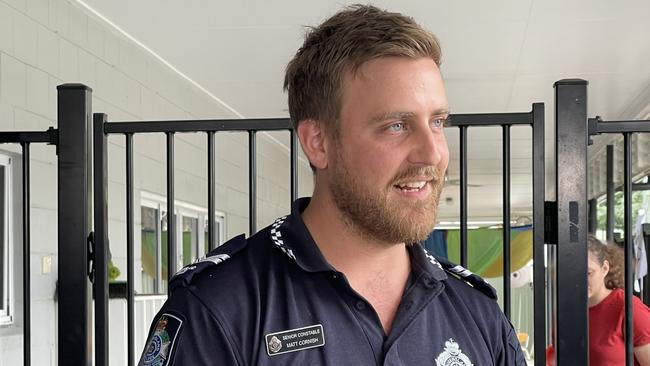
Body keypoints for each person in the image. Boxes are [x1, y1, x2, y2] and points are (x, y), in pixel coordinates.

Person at [138, 5, 525, 365]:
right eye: (396, 125)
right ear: (318, 143)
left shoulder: (477, 313)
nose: (432, 154)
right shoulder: (219, 311)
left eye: (437, 122)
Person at [588, 236, 650, 365]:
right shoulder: (566, 310)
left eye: (588, 273)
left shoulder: (628, 308)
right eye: (574, 272)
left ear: (605, 268)